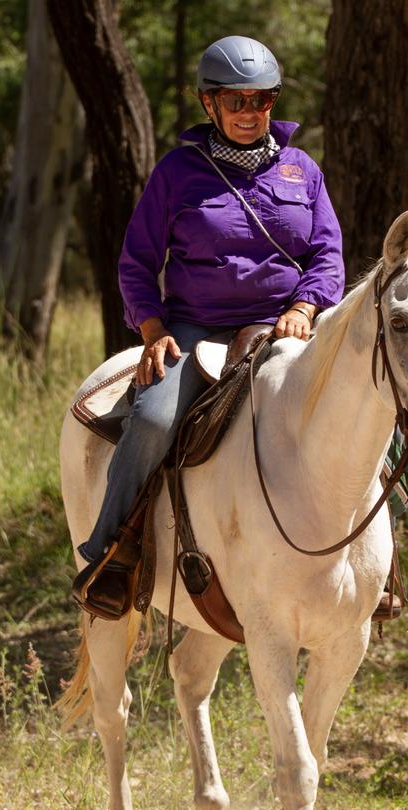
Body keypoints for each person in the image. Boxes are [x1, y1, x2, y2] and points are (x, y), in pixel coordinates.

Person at [72, 35, 345, 620]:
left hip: (284, 328)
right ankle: (113, 553)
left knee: (374, 403)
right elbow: (136, 263)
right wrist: (152, 330)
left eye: (262, 100)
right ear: (209, 105)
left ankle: (383, 563)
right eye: (236, 101)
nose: (250, 113)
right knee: (152, 418)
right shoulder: (176, 173)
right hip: (197, 330)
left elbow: (328, 257)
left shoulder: (303, 171)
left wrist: (303, 308)